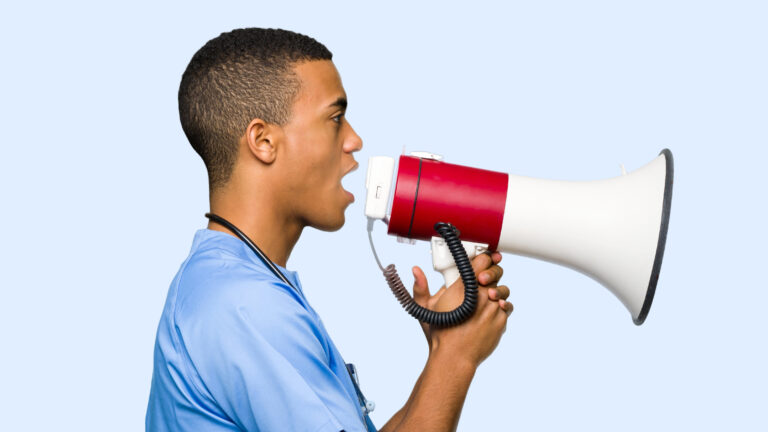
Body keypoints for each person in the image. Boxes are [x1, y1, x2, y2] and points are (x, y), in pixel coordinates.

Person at [146, 28, 513, 432]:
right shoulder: (244, 304)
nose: (354, 140)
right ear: (263, 141)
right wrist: (456, 359)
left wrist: (445, 349)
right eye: (335, 119)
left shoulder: (233, 285)